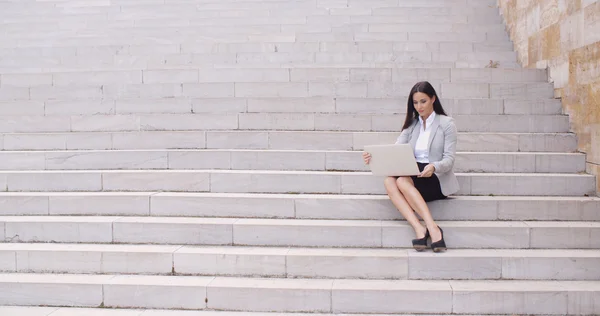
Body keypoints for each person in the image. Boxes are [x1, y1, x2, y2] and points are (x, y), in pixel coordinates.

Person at [363, 81, 459, 252]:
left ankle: (433, 228)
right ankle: (419, 228)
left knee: (401, 182)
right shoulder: (412, 124)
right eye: (415, 103)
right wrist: (373, 157)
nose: (419, 106)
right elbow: (396, 150)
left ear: (433, 99)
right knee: (390, 181)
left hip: (435, 176)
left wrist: (433, 167)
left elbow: (449, 160)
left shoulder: (446, 124)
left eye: (423, 101)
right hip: (414, 172)